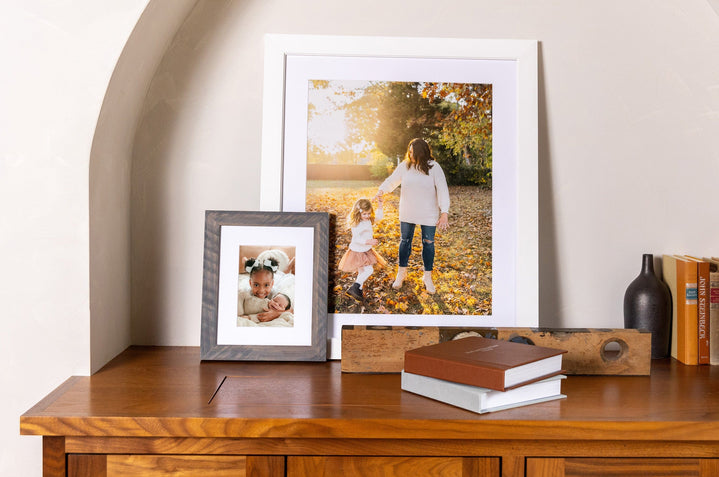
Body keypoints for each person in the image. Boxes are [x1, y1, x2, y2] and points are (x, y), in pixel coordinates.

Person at [374, 138, 450, 294]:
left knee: (428, 243)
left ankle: (427, 277)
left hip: (428, 213)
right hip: (408, 211)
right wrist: (381, 190)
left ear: (421, 152)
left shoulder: (434, 167)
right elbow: (392, 180)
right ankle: (401, 273)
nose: (409, 155)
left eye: (412, 152)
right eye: (408, 152)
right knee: (405, 241)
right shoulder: (405, 166)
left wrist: (444, 213)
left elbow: (442, 189)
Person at [338, 197, 388, 301]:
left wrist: (380, 204)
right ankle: (355, 287)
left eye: (369, 213)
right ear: (358, 212)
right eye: (364, 214)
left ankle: (358, 291)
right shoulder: (357, 224)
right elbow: (357, 238)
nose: (367, 216)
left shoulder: (368, 220)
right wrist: (369, 241)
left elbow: (379, 216)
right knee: (369, 270)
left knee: (362, 271)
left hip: (366, 250)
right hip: (358, 251)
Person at [238, 257, 292, 323]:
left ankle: (288, 268)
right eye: (256, 285)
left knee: (285, 275)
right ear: (250, 283)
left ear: (272, 284)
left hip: (278, 278)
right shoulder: (246, 293)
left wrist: (276, 314)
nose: (261, 290)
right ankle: (245, 260)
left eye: (266, 285)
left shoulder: (276, 295)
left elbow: (291, 310)